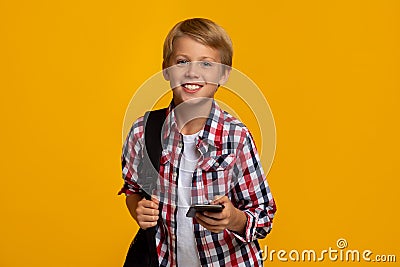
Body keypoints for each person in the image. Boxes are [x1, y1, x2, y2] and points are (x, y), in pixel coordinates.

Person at [119, 18, 276, 266]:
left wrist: (233, 218)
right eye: (182, 62)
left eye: (206, 64)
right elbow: (134, 191)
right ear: (166, 70)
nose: (193, 72)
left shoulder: (236, 137)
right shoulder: (143, 132)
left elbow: (263, 218)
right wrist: (139, 209)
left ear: (224, 74)